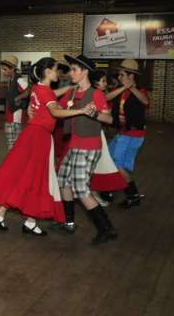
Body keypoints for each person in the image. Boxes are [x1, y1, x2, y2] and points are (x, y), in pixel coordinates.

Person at [0, 58, 94, 236]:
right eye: (56, 69)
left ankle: (2, 215)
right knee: (37, 178)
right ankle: (29, 221)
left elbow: (51, 94)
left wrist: (70, 88)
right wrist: (80, 111)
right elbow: (56, 111)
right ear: (48, 71)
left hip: (30, 135)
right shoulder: (45, 92)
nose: (58, 73)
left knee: (23, 175)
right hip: (40, 138)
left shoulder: (38, 88)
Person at [56, 54, 117, 245]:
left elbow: (109, 120)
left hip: (89, 146)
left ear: (84, 72)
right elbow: (56, 110)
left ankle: (107, 229)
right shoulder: (72, 93)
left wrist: (95, 113)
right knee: (63, 181)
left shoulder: (96, 93)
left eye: (74, 69)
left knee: (81, 189)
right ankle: (69, 222)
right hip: (74, 145)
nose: (70, 72)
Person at [106, 59, 149, 208]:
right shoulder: (120, 90)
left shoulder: (140, 91)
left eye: (122, 75)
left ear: (131, 76)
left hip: (133, 134)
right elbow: (106, 98)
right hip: (122, 133)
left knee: (118, 165)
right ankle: (111, 190)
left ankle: (133, 195)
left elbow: (145, 101)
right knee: (110, 159)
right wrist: (123, 87)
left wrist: (131, 88)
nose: (119, 77)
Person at [88, 70, 127, 205]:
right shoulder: (96, 93)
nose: (105, 83)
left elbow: (107, 97)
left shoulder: (94, 92)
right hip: (94, 133)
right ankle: (93, 195)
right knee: (98, 164)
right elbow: (107, 104)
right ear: (95, 82)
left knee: (97, 164)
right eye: (103, 81)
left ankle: (95, 193)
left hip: (95, 131)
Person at [0, 55, 30, 150]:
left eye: (5, 69)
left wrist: (19, 97)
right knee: (11, 141)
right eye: (2, 69)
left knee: (14, 143)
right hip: (10, 114)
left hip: (16, 116)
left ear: (12, 69)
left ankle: (16, 161)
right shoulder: (11, 80)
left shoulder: (19, 79)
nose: (3, 71)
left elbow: (29, 90)